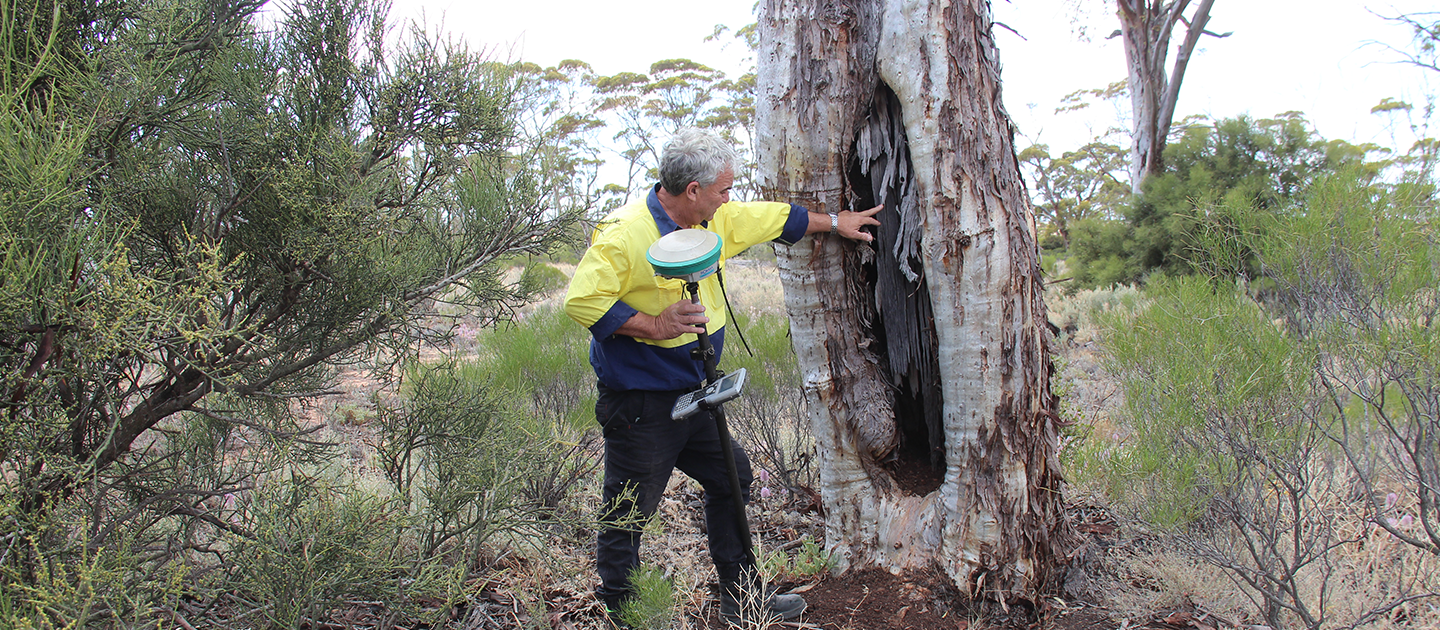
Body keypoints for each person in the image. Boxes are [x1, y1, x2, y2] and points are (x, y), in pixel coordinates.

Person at [562, 128, 881, 627]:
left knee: (731, 476)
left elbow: (773, 217)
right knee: (628, 511)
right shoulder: (626, 233)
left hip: (697, 394)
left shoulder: (714, 220)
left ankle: (742, 600)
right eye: (723, 190)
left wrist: (836, 222)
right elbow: (581, 299)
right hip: (643, 403)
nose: (729, 199)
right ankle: (627, 612)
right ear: (693, 190)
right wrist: (655, 325)